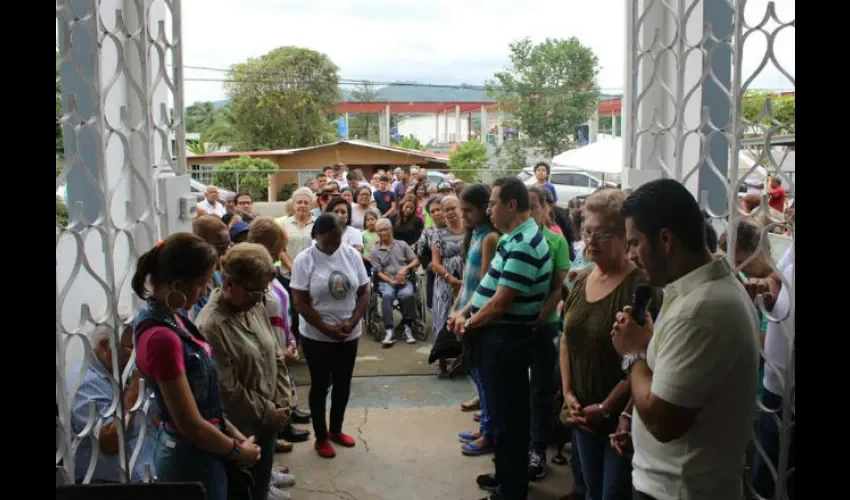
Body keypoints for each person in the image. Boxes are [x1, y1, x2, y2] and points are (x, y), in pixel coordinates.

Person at [612, 179, 760, 500]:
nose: (631, 255)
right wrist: (629, 416)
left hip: (679, 490)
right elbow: (668, 380)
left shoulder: (701, 309)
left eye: (635, 243)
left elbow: (663, 422)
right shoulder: (691, 292)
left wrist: (635, 352)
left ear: (665, 239)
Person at [131, 233, 261, 500]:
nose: (203, 292)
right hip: (191, 459)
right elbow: (189, 423)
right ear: (178, 284)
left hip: (204, 448)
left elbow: (200, 400)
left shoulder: (171, 320)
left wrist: (230, 432)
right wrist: (237, 451)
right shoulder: (162, 338)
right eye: (201, 284)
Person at [448, 177, 553, 500]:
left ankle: (510, 489)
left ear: (510, 205)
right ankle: (506, 474)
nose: (488, 209)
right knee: (504, 415)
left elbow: (500, 302)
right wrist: (464, 311)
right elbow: (487, 287)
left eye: (492, 203)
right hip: (497, 338)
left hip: (507, 339)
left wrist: (469, 323)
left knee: (509, 419)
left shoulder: (523, 243)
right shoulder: (513, 237)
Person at [195, 243, 294, 500]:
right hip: (240, 430)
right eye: (253, 292)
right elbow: (226, 388)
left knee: (260, 486)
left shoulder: (253, 305)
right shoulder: (211, 326)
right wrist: (267, 411)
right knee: (244, 491)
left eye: (263, 292)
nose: (259, 298)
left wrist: (283, 401)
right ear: (229, 284)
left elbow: (274, 353)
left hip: (269, 420)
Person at [290, 214, 370, 459]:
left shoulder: (351, 255)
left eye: (338, 239)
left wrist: (353, 321)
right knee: (320, 385)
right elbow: (300, 303)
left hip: (349, 333)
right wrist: (326, 329)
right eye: (329, 241)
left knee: (343, 383)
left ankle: (336, 429)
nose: (334, 245)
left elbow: (364, 291)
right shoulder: (305, 260)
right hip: (317, 336)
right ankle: (321, 437)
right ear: (316, 235)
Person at [526, 186, 572, 481]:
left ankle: (537, 449)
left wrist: (539, 317)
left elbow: (560, 287)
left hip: (544, 328)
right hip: (516, 328)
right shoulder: (511, 240)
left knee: (541, 390)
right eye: (525, 208)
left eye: (534, 207)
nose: (529, 214)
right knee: (517, 389)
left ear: (546, 209)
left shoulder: (557, 242)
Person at [452, 183, 500, 457]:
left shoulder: (490, 238)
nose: (464, 216)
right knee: (477, 374)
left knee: (484, 377)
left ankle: (488, 432)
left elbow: (484, 285)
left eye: (468, 210)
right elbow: (467, 280)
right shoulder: (476, 235)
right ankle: (485, 427)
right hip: (465, 313)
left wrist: (465, 313)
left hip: (477, 316)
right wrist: (455, 309)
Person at [372, 217, 421, 346]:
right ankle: (389, 330)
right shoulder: (375, 250)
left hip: (404, 279)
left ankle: (408, 328)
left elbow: (416, 260)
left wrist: (405, 268)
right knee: (387, 296)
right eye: (380, 231)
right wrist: (390, 280)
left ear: (391, 230)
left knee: (408, 295)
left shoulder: (402, 244)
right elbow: (378, 272)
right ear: (377, 233)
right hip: (387, 281)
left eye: (385, 229)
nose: (383, 233)